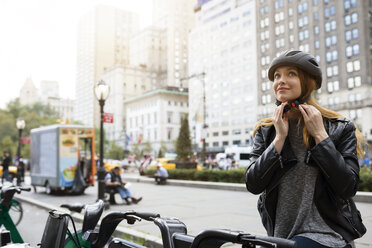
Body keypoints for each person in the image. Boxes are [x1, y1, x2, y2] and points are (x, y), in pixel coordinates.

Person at [245, 50, 366, 248]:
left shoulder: (339, 127)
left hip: (326, 233)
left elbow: (348, 187)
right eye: (277, 76)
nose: (281, 80)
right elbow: (253, 184)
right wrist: (279, 138)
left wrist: (320, 135)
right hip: (281, 235)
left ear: (308, 82)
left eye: (291, 74)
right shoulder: (266, 130)